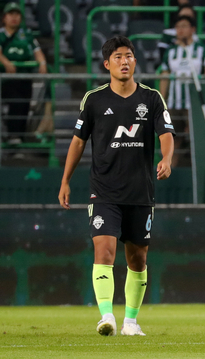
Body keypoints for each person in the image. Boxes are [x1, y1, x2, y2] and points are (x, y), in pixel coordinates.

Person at [58, 36, 175, 336]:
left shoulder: (151, 99)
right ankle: (107, 316)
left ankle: (131, 322)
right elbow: (78, 142)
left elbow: (166, 135)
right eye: (118, 57)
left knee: (138, 259)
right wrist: (66, 180)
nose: (124, 61)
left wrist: (167, 158)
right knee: (105, 251)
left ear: (136, 61)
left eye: (129, 56)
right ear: (106, 63)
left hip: (140, 191)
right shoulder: (94, 99)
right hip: (104, 191)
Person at [160, 16, 205, 167]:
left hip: (194, 102)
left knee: (194, 138)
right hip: (174, 102)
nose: (181, 30)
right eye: (178, 27)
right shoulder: (170, 51)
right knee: (173, 139)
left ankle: (195, 172)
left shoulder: (202, 49)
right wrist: (162, 100)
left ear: (193, 30)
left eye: (184, 26)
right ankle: (170, 172)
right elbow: (165, 76)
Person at [0, 2, 47, 144]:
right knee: (16, 104)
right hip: (6, 80)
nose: (14, 17)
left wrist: (42, 63)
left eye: (17, 14)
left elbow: (37, 51)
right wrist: (6, 62)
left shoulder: (26, 34)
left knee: (25, 106)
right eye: (11, 14)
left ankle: (19, 137)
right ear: (4, 18)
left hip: (25, 78)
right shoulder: (1, 35)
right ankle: (13, 136)